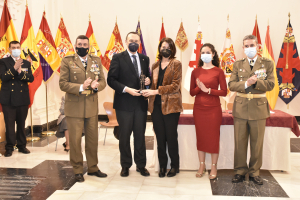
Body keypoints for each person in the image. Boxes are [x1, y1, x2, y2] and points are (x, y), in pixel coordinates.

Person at [59, 35, 107, 182]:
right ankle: (78, 170)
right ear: (75, 45)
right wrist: (81, 86)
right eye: (79, 44)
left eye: (85, 44)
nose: (82, 47)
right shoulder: (67, 61)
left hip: (91, 107)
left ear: (89, 46)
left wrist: (96, 86)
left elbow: (103, 81)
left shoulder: (96, 60)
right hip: (74, 108)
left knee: (92, 140)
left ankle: (93, 167)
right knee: (75, 141)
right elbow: (63, 84)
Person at [229, 35, 275, 185]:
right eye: (246, 46)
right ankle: (240, 171)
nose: (249, 48)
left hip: (259, 108)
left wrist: (256, 84)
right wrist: (246, 83)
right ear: (242, 48)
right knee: (240, 141)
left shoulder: (267, 64)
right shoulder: (237, 64)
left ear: (258, 47)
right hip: (241, 107)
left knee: (257, 143)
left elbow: (271, 85)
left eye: (251, 45)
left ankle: (255, 172)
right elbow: (232, 85)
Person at [107, 32, 151, 177]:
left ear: (140, 43)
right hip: (124, 104)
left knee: (140, 136)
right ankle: (125, 165)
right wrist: (127, 90)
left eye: (136, 41)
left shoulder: (145, 58)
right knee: (124, 136)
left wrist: (149, 82)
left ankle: (141, 165)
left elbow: (147, 77)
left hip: (140, 104)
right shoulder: (118, 58)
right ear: (126, 42)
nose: (134, 43)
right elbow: (111, 80)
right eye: (131, 40)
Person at [142, 37, 182, 178]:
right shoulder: (154, 66)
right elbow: (153, 86)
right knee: (160, 138)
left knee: (171, 137)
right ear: (159, 48)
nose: (165, 49)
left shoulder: (176, 64)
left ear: (172, 49)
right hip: (156, 106)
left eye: (168, 47)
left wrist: (155, 91)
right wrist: (148, 84)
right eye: (163, 46)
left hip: (171, 106)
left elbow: (175, 86)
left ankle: (174, 166)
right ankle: (163, 166)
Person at [189, 43, 227, 179]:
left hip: (213, 110)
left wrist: (208, 90)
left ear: (213, 54)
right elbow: (192, 93)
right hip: (199, 109)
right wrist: (199, 88)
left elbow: (224, 91)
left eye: (208, 52)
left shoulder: (219, 71)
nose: (205, 55)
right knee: (201, 137)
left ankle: (214, 166)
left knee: (213, 138)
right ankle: (201, 165)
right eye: (203, 52)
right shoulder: (195, 72)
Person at [0, 41, 34, 157]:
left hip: (22, 98)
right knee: (9, 125)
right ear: (9, 49)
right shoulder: (3, 62)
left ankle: (22, 146)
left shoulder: (26, 62)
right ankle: (9, 147)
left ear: (20, 49)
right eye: (13, 47)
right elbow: (4, 77)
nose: (16, 49)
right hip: (8, 99)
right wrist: (14, 68)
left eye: (18, 47)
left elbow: (31, 78)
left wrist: (20, 73)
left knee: (21, 123)